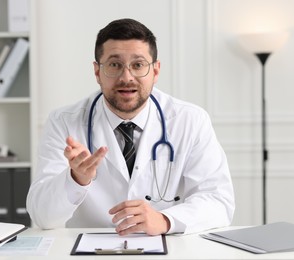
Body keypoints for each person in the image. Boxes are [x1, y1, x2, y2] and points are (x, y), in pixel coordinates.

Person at [26, 18, 235, 236]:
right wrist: (75, 179)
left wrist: (165, 220)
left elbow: (218, 201)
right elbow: (42, 216)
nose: (126, 77)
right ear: (97, 72)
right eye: (114, 65)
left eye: (138, 65)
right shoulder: (63, 122)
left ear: (155, 71)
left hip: (168, 250)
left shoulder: (191, 120)